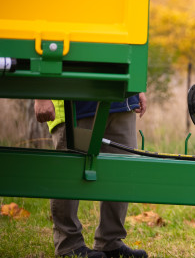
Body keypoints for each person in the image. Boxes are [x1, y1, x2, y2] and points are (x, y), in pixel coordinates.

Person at [34, 94, 148, 258]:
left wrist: (138, 89)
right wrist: (41, 96)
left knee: (122, 171)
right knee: (68, 176)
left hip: (122, 101)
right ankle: (68, 244)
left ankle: (110, 241)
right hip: (73, 103)